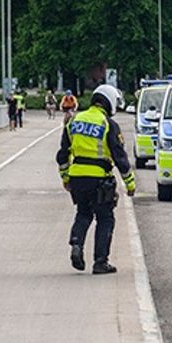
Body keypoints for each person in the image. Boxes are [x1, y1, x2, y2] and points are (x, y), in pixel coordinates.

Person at [56, 85, 136, 274]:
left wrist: (65, 178)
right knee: (105, 218)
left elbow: (62, 154)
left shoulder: (74, 120)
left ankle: (76, 244)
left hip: (77, 177)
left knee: (83, 213)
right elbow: (119, 157)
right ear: (109, 101)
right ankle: (100, 262)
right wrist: (130, 183)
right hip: (99, 179)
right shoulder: (107, 123)